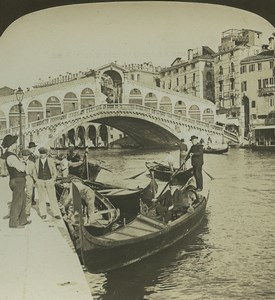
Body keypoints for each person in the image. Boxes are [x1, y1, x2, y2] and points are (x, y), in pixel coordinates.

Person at [1, 134, 31, 228]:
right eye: (14, 143)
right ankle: (14, 223)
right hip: (17, 180)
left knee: (22, 200)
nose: (16, 145)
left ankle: (22, 220)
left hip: (18, 180)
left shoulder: (11, 155)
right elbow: (21, 168)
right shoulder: (11, 157)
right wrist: (24, 164)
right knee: (17, 201)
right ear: (11, 145)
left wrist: (21, 163)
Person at [35, 147, 61, 220]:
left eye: (43, 153)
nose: (42, 155)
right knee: (41, 198)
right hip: (40, 180)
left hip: (49, 180)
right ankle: (43, 213)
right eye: (41, 153)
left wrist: (53, 179)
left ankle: (56, 213)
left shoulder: (51, 161)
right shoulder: (36, 161)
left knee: (53, 198)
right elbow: (34, 171)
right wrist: (36, 180)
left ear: (46, 154)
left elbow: (55, 171)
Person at [21, 149, 37, 217]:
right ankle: (21, 210)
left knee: (29, 195)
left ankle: (27, 211)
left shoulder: (32, 163)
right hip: (21, 178)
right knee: (21, 195)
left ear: (29, 156)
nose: (25, 157)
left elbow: (34, 173)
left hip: (29, 178)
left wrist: (36, 181)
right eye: (24, 155)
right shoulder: (20, 162)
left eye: (26, 156)